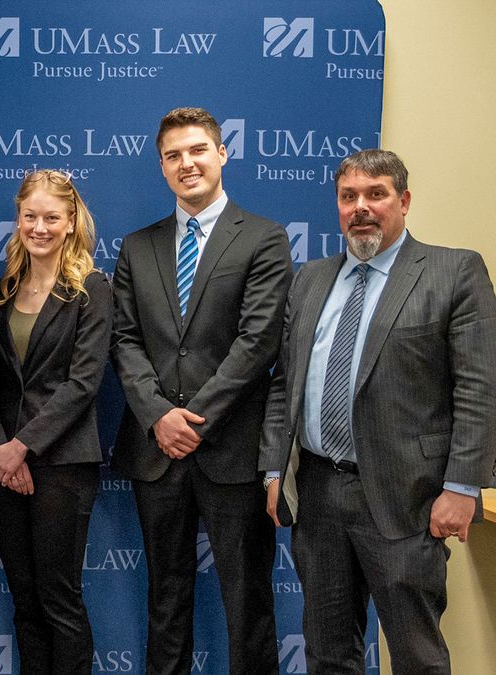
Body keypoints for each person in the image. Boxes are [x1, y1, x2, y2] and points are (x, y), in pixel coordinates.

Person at [260, 148, 496, 673]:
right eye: (348, 197)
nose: (361, 208)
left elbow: (481, 388)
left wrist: (462, 487)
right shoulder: (310, 279)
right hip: (320, 494)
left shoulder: (453, 271)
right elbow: (285, 385)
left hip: (408, 498)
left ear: (404, 200)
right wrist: (275, 469)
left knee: (416, 654)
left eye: (376, 194)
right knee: (328, 653)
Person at [110, 107, 291, 674]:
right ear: (162, 167)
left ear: (221, 153)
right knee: (165, 597)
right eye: (173, 156)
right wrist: (159, 415)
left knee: (248, 601)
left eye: (196, 151)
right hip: (155, 449)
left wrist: (192, 418)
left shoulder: (264, 237)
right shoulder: (137, 247)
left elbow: (257, 342)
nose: (186, 163)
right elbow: (124, 339)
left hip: (233, 450)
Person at [0, 170, 113, 674]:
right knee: (25, 603)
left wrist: (24, 447)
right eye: (30, 216)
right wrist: (1, 449)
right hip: (2, 467)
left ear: (71, 221)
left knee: (59, 601)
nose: (39, 227)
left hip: (62, 464)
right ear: (17, 220)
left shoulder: (92, 290)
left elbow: (83, 383)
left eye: (51, 217)